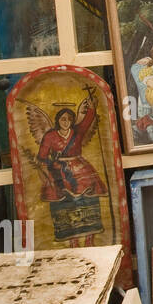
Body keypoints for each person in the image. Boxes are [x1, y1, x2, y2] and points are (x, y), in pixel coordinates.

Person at [35, 92, 108, 246]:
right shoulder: (50, 136)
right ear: (58, 121)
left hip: (81, 169)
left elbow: (89, 119)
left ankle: (89, 240)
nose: (66, 122)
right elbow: (42, 156)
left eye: (69, 119)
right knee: (64, 204)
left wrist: (90, 105)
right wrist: (46, 172)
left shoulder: (77, 132)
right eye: (63, 119)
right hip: (58, 171)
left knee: (88, 199)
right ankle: (72, 241)